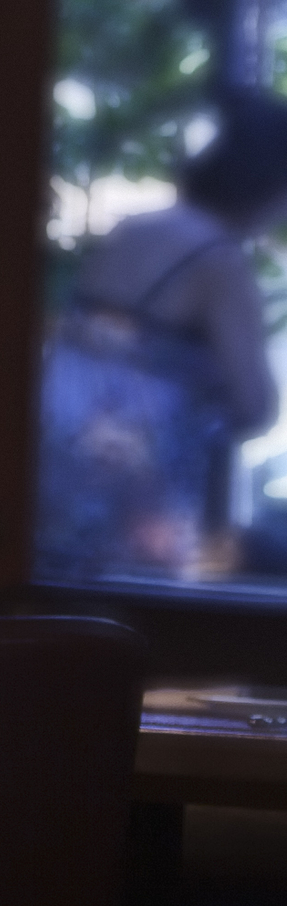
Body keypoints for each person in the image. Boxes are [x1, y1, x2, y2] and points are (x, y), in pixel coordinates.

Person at [41, 89, 287, 582]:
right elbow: (253, 404)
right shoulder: (218, 260)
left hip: (58, 471)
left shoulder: (134, 229)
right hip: (136, 495)